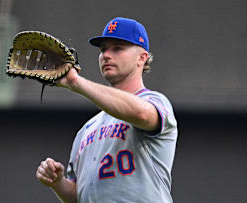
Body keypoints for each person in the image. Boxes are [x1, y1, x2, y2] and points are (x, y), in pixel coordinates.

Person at [36, 17, 178, 203]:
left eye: (117, 48)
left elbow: (141, 114)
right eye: (103, 49)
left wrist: (75, 82)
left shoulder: (155, 102)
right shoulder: (87, 129)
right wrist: (57, 182)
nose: (106, 55)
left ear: (142, 58)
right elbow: (80, 196)